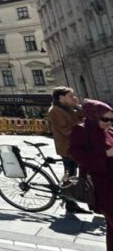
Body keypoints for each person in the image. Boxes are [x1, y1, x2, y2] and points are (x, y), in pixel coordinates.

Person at [68, 99, 113, 251]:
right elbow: (75, 153)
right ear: (93, 117)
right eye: (105, 119)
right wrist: (105, 154)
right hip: (101, 187)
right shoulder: (81, 131)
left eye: (112, 119)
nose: (109, 123)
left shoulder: (108, 131)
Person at [49, 86, 87, 214]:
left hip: (75, 146)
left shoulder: (68, 108)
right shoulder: (55, 111)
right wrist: (85, 131)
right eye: (70, 96)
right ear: (61, 98)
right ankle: (69, 202)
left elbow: (83, 118)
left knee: (72, 173)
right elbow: (66, 130)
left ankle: (70, 200)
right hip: (67, 148)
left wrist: (78, 107)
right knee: (70, 174)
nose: (74, 97)